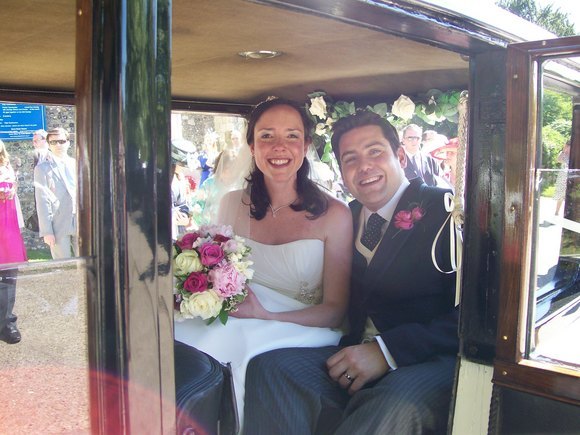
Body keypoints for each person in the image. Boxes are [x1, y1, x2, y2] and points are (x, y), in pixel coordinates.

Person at [244, 111, 458, 434]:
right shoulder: (347, 215)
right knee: (270, 367)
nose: (364, 167)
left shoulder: (445, 211)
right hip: (352, 351)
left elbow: (476, 317)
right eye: (350, 159)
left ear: (400, 156)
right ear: (342, 172)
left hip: (426, 361)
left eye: (375, 152)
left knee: (392, 406)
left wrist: (386, 352)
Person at [173, 97, 353, 429]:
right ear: (252, 147)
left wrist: (266, 315)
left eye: (291, 136)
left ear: (306, 146)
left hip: (301, 329)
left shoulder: (335, 215)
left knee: (244, 360)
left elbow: (335, 311)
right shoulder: (231, 204)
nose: (279, 146)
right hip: (239, 315)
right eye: (267, 136)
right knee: (178, 341)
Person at [34, 127, 79, 259]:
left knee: (86, 265)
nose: (58, 145)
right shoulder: (42, 169)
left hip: (80, 221)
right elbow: (42, 201)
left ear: (68, 143)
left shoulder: (78, 164)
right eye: (53, 142)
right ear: (48, 144)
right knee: (62, 266)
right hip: (57, 224)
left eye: (62, 141)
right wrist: (47, 231)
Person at [0, 139, 27, 344]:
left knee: (9, 277)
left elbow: (12, 194)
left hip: (7, 226)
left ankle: (7, 324)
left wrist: (12, 189)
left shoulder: (7, 168)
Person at [554, 142, 570, 216]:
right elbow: (558, 160)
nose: (567, 148)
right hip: (563, 175)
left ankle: (568, 213)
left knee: (570, 195)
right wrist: (563, 151)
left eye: (567, 146)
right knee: (560, 194)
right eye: (566, 146)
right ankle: (557, 211)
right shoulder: (563, 154)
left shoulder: (573, 154)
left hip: (571, 176)